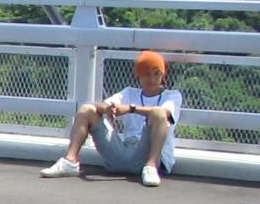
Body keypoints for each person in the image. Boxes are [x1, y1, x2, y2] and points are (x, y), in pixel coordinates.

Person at [40, 50, 182, 187]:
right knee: (86, 109)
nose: (152, 79)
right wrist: (108, 109)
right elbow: (104, 105)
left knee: (158, 114)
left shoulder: (172, 95)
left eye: (156, 74)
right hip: (124, 151)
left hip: (148, 155)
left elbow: (165, 113)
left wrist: (131, 108)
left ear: (163, 75)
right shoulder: (129, 92)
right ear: (138, 76)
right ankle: (70, 161)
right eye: (146, 74)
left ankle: (151, 166)